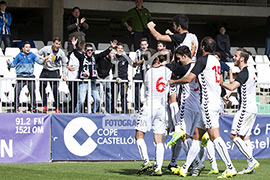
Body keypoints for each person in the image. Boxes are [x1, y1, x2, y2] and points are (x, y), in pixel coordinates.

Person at [168, 36, 237, 178]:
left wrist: (173, 81)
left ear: (203, 47)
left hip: (208, 103)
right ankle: (186, 168)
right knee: (196, 136)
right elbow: (218, 80)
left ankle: (230, 167)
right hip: (212, 102)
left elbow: (188, 79)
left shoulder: (203, 60)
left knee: (214, 136)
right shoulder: (216, 61)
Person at [220, 48, 260, 175]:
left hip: (245, 108)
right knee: (245, 136)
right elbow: (242, 88)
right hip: (252, 108)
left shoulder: (244, 72)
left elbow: (232, 85)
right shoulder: (251, 71)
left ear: (242, 58)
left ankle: (251, 160)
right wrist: (230, 94)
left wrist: (221, 82)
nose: (233, 58)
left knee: (233, 135)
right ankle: (250, 165)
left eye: (236, 56)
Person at [135, 48, 172, 176]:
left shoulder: (148, 72)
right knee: (159, 140)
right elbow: (171, 66)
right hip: (162, 108)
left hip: (149, 106)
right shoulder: (167, 71)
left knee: (139, 136)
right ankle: (158, 168)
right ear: (157, 58)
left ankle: (146, 162)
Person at [75, 40, 117, 113]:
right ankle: (76, 114)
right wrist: (74, 45)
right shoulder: (82, 57)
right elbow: (76, 53)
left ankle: (93, 113)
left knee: (97, 99)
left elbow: (103, 53)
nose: (90, 52)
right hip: (83, 82)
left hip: (92, 82)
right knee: (81, 101)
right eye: (88, 50)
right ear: (85, 50)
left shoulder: (94, 57)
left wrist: (111, 47)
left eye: (91, 50)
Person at [7, 41, 46, 113]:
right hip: (21, 76)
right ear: (23, 48)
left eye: (29, 47)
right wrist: (8, 62)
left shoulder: (32, 55)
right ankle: (16, 107)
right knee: (17, 91)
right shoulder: (19, 56)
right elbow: (13, 65)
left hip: (30, 76)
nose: (28, 49)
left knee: (32, 92)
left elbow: (40, 62)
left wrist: (44, 60)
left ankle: (33, 107)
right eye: (26, 47)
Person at [37, 37, 67, 113]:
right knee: (41, 87)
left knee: (55, 90)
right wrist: (43, 58)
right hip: (45, 70)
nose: (57, 46)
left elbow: (64, 64)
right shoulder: (46, 49)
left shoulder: (61, 53)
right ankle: (44, 105)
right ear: (53, 43)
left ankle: (57, 107)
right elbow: (36, 55)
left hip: (54, 71)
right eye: (56, 44)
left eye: (59, 44)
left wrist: (64, 74)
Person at [111, 43, 131, 113]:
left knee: (123, 95)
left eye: (121, 48)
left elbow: (133, 64)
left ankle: (125, 111)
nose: (120, 50)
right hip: (115, 80)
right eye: (118, 48)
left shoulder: (126, 57)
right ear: (116, 49)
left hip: (124, 80)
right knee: (114, 96)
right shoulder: (113, 57)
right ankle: (112, 111)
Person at [66, 38, 84, 113]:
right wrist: (67, 66)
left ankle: (78, 111)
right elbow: (65, 62)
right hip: (72, 78)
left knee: (80, 98)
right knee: (74, 97)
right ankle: (70, 111)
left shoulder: (83, 56)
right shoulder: (72, 54)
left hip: (79, 79)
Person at [132, 38, 149, 112]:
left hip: (148, 71)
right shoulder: (138, 52)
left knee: (149, 88)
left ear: (147, 45)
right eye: (142, 45)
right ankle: (137, 107)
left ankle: (148, 105)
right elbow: (134, 64)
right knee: (137, 88)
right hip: (139, 71)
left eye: (145, 44)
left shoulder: (150, 51)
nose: (143, 46)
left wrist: (140, 61)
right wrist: (140, 61)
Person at [96, 49, 115, 113]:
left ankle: (108, 111)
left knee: (108, 94)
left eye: (114, 54)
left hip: (106, 77)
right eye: (112, 53)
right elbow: (95, 66)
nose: (113, 55)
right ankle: (97, 110)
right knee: (98, 95)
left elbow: (114, 71)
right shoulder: (102, 58)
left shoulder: (113, 61)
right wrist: (97, 76)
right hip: (98, 77)